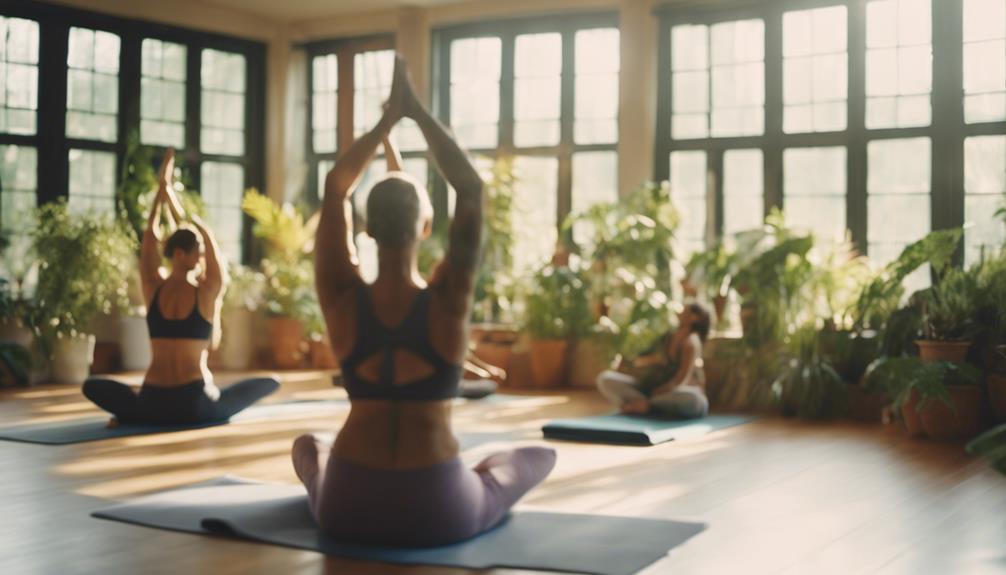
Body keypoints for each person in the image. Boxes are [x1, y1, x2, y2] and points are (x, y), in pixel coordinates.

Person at [292, 56, 556, 547]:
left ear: (366, 229)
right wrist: (415, 112)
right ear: (427, 227)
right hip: (437, 506)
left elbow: (334, 188)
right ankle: (474, 481)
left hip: (347, 504)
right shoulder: (449, 300)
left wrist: (385, 124)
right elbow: (471, 189)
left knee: (308, 446)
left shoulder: (341, 297)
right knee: (537, 458)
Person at [82, 149, 279, 425]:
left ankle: (134, 412)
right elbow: (211, 250)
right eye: (196, 252)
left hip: (152, 402)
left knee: (91, 387)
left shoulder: (153, 288)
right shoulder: (207, 290)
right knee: (267, 383)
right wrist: (197, 224)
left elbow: (149, 239)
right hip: (194, 403)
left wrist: (161, 197)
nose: (201, 258)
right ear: (178, 255)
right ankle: (193, 409)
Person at [596, 302, 712, 419]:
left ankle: (648, 406)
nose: (681, 312)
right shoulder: (669, 335)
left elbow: (681, 379)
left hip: (675, 392)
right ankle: (646, 405)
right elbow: (643, 359)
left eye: (685, 310)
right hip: (653, 388)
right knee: (605, 379)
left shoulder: (692, 341)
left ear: (694, 318)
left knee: (694, 401)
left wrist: (661, 391)